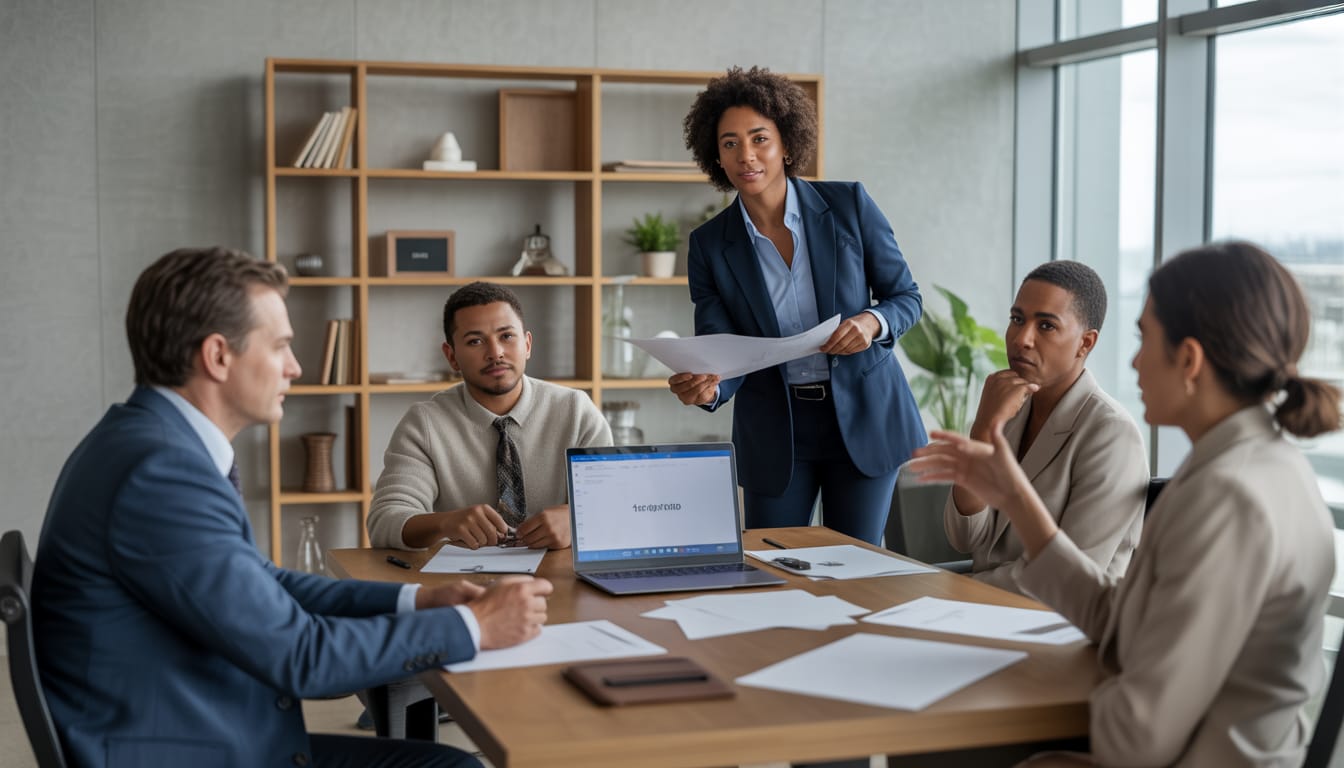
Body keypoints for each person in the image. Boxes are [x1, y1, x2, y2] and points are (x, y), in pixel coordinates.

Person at [32, 248, 552, 768]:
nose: (296, 367)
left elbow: (266, 583)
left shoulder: (149, 443)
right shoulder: (160, 473)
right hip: (190, 750)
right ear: (218, 356)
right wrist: (473, 628)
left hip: (198, 732)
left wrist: (414, 603)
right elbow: (303, 659)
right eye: (280, 345)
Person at [911, 241, 1340, 766]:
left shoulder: (1229, 498)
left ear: (1188, 359)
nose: (1134, 360)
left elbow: (1138, 737)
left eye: (1144, 339)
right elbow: (1122, 621)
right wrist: (1017, 500)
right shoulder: (1247, 466)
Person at [670, 66, 926, 545]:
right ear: (716, 158)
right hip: (775, 429)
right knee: (773, 567)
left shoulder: (849, 204)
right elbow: (722, 346)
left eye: (759, 138)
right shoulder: (709, 245)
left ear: (786, 144)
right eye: (729, 143)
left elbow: (906, 298)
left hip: (865, 417)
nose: (746, 155)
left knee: (860, 571)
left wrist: (873, 321)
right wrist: (708, 389)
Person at [944, 261, 1146, 594]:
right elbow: (965, 538)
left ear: (1086, 343)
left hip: (1061, 628)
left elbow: (1068, 578)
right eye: (1017, 320)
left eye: (1046, 326)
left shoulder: (1111, 434)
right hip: (985, 609)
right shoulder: (1006, 411)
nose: (1022, 339)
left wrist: (956, 588)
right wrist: (982, 432)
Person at [368, 281, 611, 551]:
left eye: (506, 336)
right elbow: (383, 521)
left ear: (527, 344)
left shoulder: (576, 411)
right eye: (475, 341)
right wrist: (445, 523)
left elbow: (615, 505)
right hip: (463, 585)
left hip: (559, 577)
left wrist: (578, 519)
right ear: (452, 357)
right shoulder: (424, 423)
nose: (495, 353)